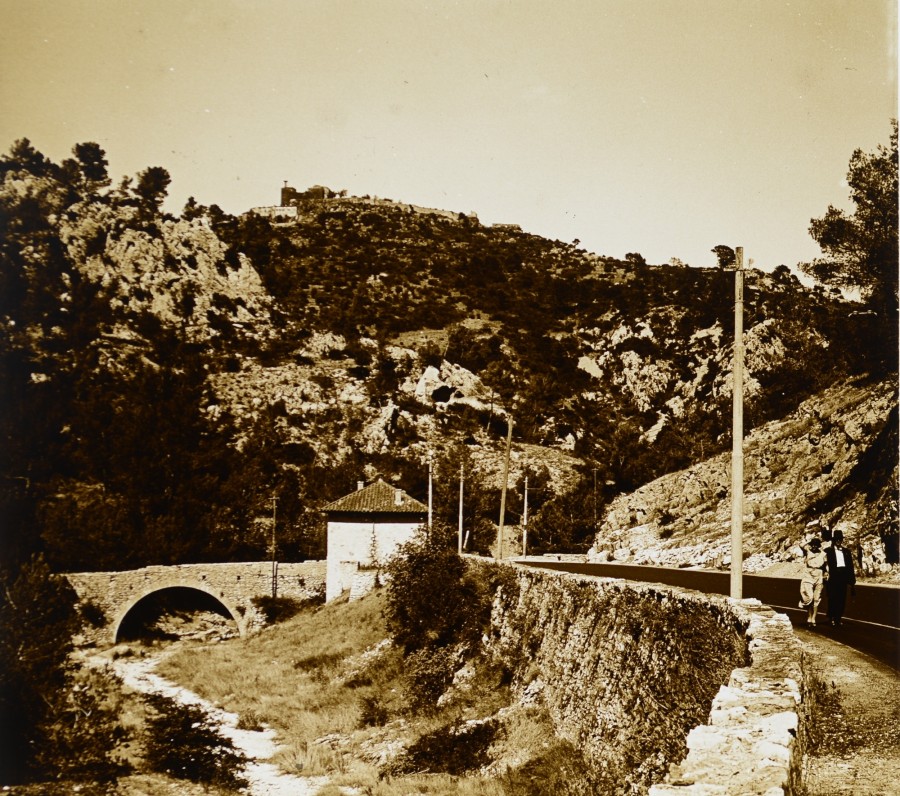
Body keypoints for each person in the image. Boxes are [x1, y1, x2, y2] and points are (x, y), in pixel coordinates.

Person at [825, 530, 856, 626]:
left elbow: (850, 566)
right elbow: (824, 564)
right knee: (833, 597)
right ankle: (831, 617)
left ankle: (838, 618)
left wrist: (852, 581)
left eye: (840, 539)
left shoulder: (847, 552)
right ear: (834, 540)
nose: (838, 541)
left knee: (842, 598)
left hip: (843, 576)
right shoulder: (828, 551)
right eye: (837, 539)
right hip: (833, 575)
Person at [798, 537, 827, 626]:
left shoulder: (823, 554)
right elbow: (801, 544)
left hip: (819, 574)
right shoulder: (807, 551)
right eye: (812, 544)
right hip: (808, 574)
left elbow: (826, 565)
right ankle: (807, 610)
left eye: (816, 545)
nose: (814, 546)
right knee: (809, 596)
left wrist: (826, 573)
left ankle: (813, 617)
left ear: (818, 546)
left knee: (816, 598)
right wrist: (808, 540)